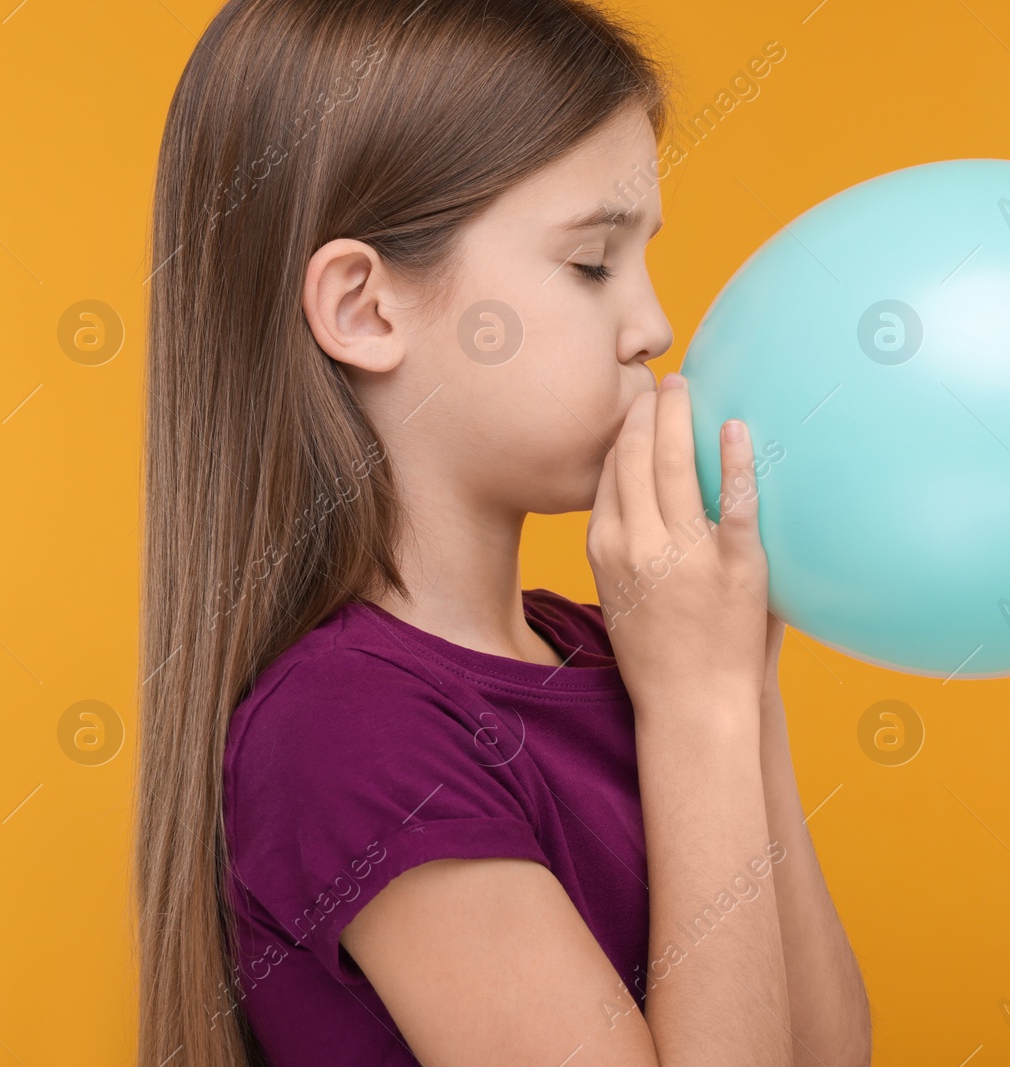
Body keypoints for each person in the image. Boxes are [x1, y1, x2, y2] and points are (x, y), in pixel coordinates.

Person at [134, 1, 871, 1064]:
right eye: (590, 263)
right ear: (366, 309)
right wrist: (701, 708)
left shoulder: (628, 654)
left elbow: (828, 1051)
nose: (654, 326)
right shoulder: (346, 729)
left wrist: (740, 688)